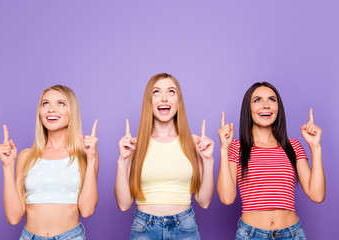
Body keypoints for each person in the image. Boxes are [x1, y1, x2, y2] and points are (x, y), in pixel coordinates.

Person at [217, 82, 326, 239]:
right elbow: (227, 198)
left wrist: (315, 147)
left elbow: (317, 195)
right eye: (257, 100)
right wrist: (223, 149)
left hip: (292, 234)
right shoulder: (237, 147)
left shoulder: (293, 146)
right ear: (248, 109)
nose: (266, 105)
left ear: (278, 108)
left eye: (272, 100)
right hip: (251, 234)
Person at [115, 73, 215, 240]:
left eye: (171, 92)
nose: (164, 98)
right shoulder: (135, 144)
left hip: (185, 228)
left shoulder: (193, 142)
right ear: (149, 102)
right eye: (156, 92)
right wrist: (122, 161)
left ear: (178, 101)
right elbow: (124, 204)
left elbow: (204, 201)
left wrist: (208, 160)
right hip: (144, 229)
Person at [0, 85, 99, 240]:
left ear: (71, 110)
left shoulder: (85, 154)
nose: (51, 109)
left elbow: (87, 210)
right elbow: (13, 217)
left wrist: (91, 159)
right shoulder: (26, 156)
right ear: (40, 112)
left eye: (61, 103)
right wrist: (7, 166)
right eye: (45, 103)